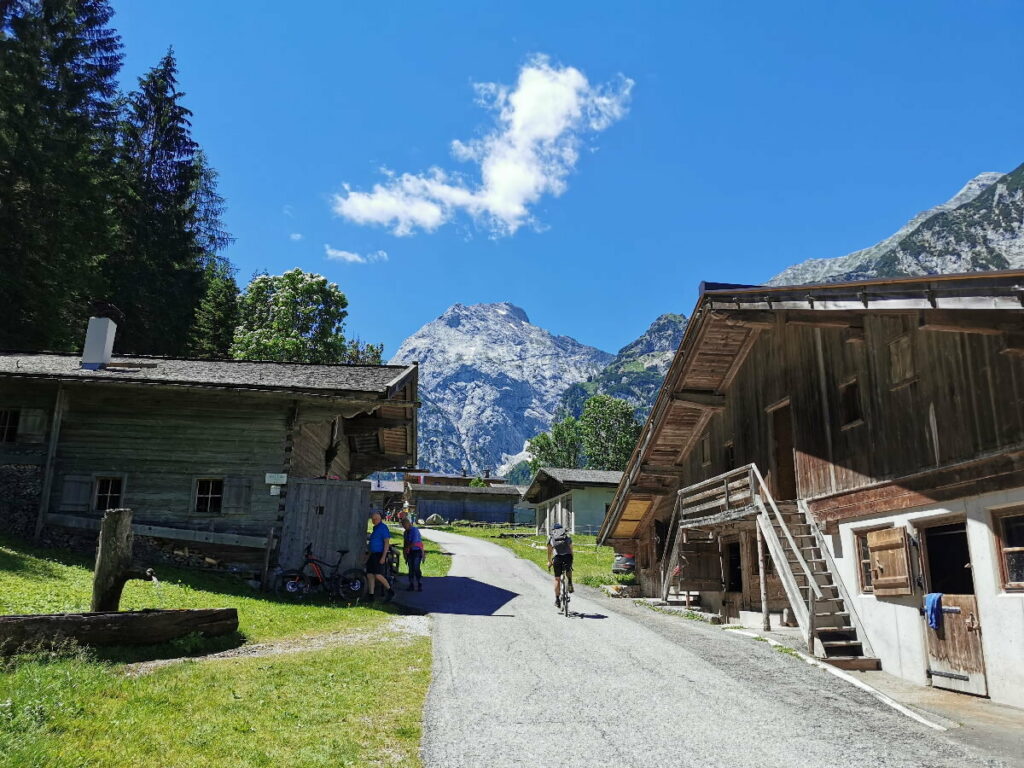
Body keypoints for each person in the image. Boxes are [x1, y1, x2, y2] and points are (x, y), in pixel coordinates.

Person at [366, 511, 395, 602]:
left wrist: (383, 557)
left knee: (377, 575)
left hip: (379, 554)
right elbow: (372, 544)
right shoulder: (375, 528)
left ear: (379, 519)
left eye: (375, 519)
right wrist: (367, 557)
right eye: (372, 519)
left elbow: (386, 543)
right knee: (370, 574)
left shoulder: (383, 528)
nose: (373, 520)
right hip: (373, 554)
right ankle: (371, 595)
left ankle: (390, 591)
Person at [546, 522, 574, 609]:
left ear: (553, 530)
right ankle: (569, 582)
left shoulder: (551, 537)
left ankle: (557, 600)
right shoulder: (566, 536)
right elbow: (571, 549)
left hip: (557, 558)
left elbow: (549, 552)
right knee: (568, 569)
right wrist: (571, 558)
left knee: (557, 579)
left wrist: (550, 561)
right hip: (567, 557)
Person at [402, 517, 425, 591]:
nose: (404, 527)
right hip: (410, 552)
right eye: (403, 525)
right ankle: (411, 584)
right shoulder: (405, 532)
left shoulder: (414, 530)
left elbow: (414, 543)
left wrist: (407, 548)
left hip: (417, 551)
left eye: (405, 525)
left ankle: (419, 583)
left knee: (416, 567)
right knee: (410, 569)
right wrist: (404, 553)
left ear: (409, 523)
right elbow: (405, 543)